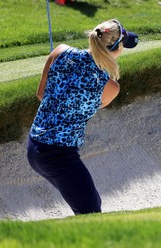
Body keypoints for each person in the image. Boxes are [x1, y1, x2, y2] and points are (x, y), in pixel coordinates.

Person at [28, 18, 138, 216]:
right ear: (116, 50)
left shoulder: (60, 51)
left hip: (34, 147)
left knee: (87, 207)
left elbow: (41, 94)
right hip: (59, 155)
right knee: (90, 211)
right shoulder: (110, 87)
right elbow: (87, 107)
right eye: (122, 45)